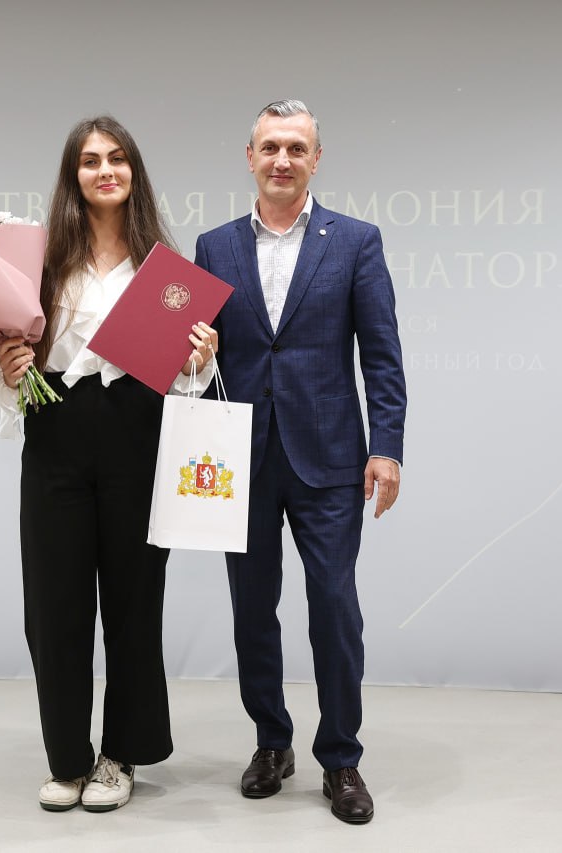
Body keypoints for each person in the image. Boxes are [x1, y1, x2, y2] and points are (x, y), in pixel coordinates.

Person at [0, 115, 218, 813]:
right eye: (91, 161)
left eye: (117, 159)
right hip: (56, 434)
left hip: (136, 436)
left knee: (133, 604)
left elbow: (181, 380)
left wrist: (198, 360)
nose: (105, 171)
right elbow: (15, 373)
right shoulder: (39, 263)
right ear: (74, 175)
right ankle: (67, 759)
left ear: (133, 172)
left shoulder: (163, 269)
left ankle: (120, 756)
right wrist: (10, 368)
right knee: (53, 606)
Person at [193, 100, 407, 825]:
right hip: (240, 459)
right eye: (269, 147)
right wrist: (196, 359)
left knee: (334, 608)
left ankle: (340, 756)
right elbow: (195, 363)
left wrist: (386, 447)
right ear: (249, 156)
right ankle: (272, 741)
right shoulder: (213, 246)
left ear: (316, 159)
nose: (281, 159)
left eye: (295, 147)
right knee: (252, 611)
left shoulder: (356, 241)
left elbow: (382, 355)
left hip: (331, 458)